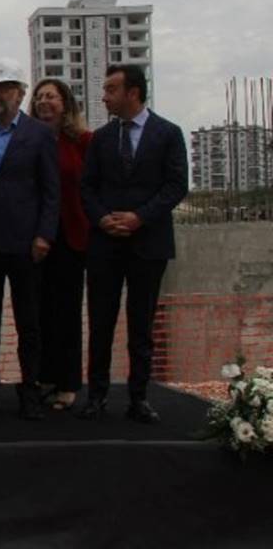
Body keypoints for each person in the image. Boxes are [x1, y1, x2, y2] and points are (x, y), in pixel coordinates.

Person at [79, 64, 188, 424]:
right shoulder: (101, 139)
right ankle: (96, 396)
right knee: (100, 323)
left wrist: (139, 217)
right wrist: (102, 218)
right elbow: (87, 187)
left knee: (141, 326)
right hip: (105, 245)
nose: (104, 96)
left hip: (148, 244)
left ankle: (139, 397)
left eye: (111, 89)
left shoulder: (168, 134)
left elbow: (176, 186)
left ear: (133, 93)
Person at [0, 59, 59, 420]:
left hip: (25, 244)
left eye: (3, 88)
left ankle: (30, 390)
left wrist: (44, 234)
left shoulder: (39, 135)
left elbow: (51, 191)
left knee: (28, 322)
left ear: (20, 93)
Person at [30, 78, 92, 411]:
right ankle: (44, 378)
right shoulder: (29, 141)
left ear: (65, 103)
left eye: (51, 96)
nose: (44, 101)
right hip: (37, 238)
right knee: (39, 311)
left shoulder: (83, 141)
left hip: (71, 237)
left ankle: (67, 383)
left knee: (66, 312)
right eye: (39, 97)